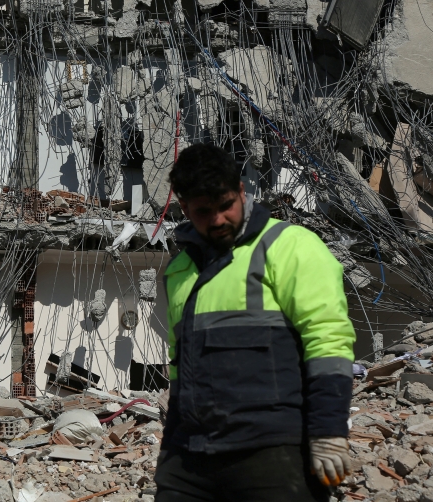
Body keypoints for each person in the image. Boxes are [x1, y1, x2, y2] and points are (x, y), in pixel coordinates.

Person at [153, 143, 356, 502]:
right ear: (184, 208)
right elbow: (179, 369)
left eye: (225, 206)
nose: (217, 220)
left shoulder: (290, 246)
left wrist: (327, 431)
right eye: (203, 211)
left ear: (241, 192)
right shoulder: (179, 271)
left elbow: (328, 341)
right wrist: (171, 447)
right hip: (190, 458)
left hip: (272, 451)